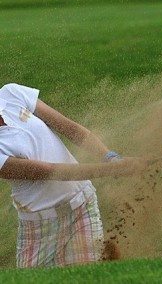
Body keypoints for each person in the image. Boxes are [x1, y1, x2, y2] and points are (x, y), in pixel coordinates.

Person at [0, 83, 146, 268]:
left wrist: (109, 157)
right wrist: (114, 170)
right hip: (38, 229)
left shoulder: (12, 94)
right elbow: (51, 172)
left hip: (81, 208)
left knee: (91, 277)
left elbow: (69, 127)